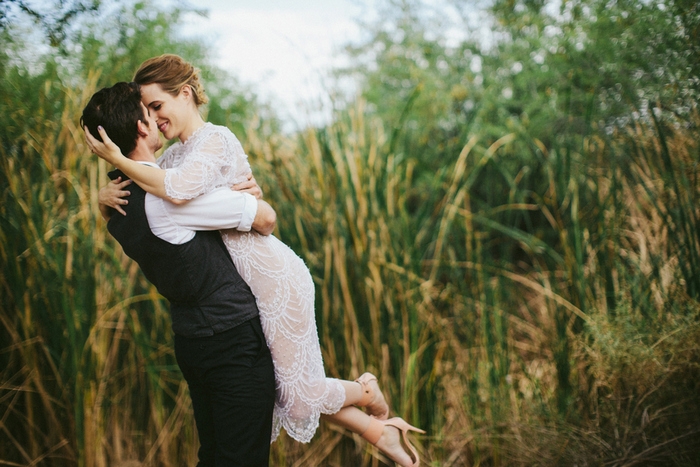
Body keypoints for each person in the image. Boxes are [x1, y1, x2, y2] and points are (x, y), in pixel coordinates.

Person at [86, 54, 423, 467]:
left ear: (185, 94)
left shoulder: (214, 139)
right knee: (285, 393)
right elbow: (152, 183)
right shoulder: (170, 159)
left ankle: (367, 391)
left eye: (158, 106)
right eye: (148, 112)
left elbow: (221, 205)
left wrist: (116, 163)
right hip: (240, 283)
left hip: (270, 274)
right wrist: (103, 198)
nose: (154, 119)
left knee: (298, 394)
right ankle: (380, 430)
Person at [81, 81, 277, 466]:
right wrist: (250, 194)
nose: (156, 119)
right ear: (141, 128)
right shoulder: (170, 200)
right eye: (149, 113)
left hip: (191, 341)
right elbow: (265, 219)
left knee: (215, 455)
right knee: (242, 459)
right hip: (233, 340)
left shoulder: (117, 200)